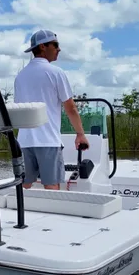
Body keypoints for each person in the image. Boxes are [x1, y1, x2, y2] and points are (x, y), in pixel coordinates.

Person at [14, 29, 89, 190]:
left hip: (24, 142)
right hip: (48, 140)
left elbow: (18, 108)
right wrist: (80, 134)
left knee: (25, 184)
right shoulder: (56, 73)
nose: (59, 49)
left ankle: (22, 213)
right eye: (55, 45)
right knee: (52, 185)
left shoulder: (20, 76)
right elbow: (71, 108)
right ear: (42, 47)